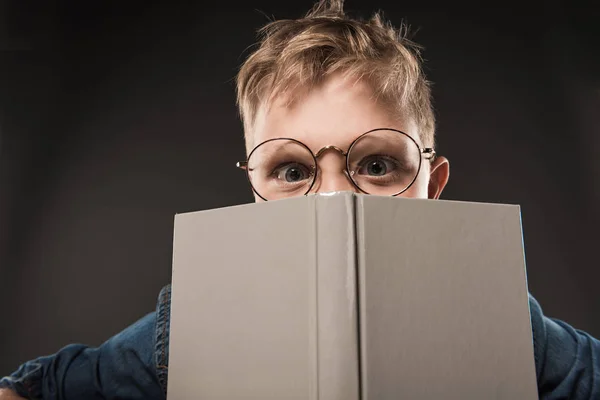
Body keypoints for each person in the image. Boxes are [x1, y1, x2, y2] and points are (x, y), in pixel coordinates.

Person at [1, 0, 598, 399]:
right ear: (256, 194)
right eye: (291, 169)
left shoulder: (496, 315)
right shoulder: (196, 322)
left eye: (377, 164)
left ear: (432, 186)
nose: (334, 197)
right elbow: (34, 388)